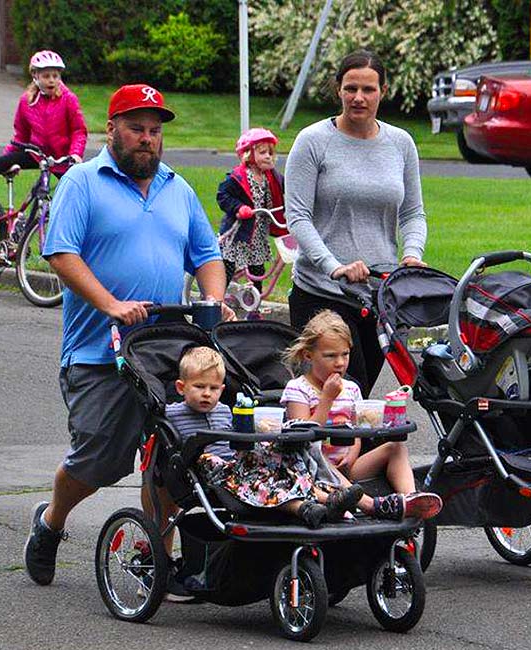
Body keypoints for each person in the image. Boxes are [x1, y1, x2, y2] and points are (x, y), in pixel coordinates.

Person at [23, 83, 234, 588]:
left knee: (170, 460)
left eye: (155, 131)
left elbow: (206, 254)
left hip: (166, 354)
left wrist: (213, 298)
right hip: (100, 352)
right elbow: (60, 251)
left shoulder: (176, 188)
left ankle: (156, 566)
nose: (147, 139)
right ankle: (50, 523)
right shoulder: (83, 181)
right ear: (112, 129)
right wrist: (112, 305)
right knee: (99, 459)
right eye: (137, 128)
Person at [284, 50, 428, 397]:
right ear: (338, 90)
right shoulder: (313, 141)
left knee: (356, 402)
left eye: (368, 89)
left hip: (379, 295)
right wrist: (334, 267)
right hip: (323, 293)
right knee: (341, 399)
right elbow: (298, 217)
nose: (358, 98)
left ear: (383, 91)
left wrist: (411, 255)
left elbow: (412, 213)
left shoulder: (400, 144)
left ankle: (350, 454)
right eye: (351, 88)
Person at [169, 346, 363, 529]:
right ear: (181, 387)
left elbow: (239, 435)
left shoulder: (224, 410)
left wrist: (258, 428)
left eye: (213, 388)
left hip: (239, 464)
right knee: (254, 481)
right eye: (199, 387)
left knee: (276, 459)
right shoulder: (173, 414)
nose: (206, 394)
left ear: (221, 389)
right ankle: (305, 507)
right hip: (212, 473)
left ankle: (329, 498)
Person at [281, 310, 442, 521]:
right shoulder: (298, 389)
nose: (340, 363)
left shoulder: (351, 389)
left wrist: (353, 453)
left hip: (348, 464)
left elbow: (355, 430)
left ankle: (409, 498)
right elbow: (304, 437)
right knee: (315, 452)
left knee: (395, 446)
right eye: (330, 356)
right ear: (308, 355)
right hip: (314, 468)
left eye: (345, 354)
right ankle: (370, 505)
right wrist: (327, 399)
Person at [0, 50, 87, 247]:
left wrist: (75, 154)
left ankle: (76, 240)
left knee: (77, 194)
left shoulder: (68, 99)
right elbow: (20, 136)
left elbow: (79, 130)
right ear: (35, 76)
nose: (52, 80)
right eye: (46, 76)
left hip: (62, 159)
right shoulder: (26, 101)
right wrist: (10, 160)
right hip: (35, 154)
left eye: (55, 75)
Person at [216, 127, 286, 292]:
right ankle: (218, 299)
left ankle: (254, 302)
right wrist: (239, 208)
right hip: (239, 232)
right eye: (263, 152)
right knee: (228, 267)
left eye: (270, 153)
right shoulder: (238, 177)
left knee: (257, 269)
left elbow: (287, 188)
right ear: (248, 154)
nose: (268, 156)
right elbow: (223, 195)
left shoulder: (272, 176)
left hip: (258, 234)